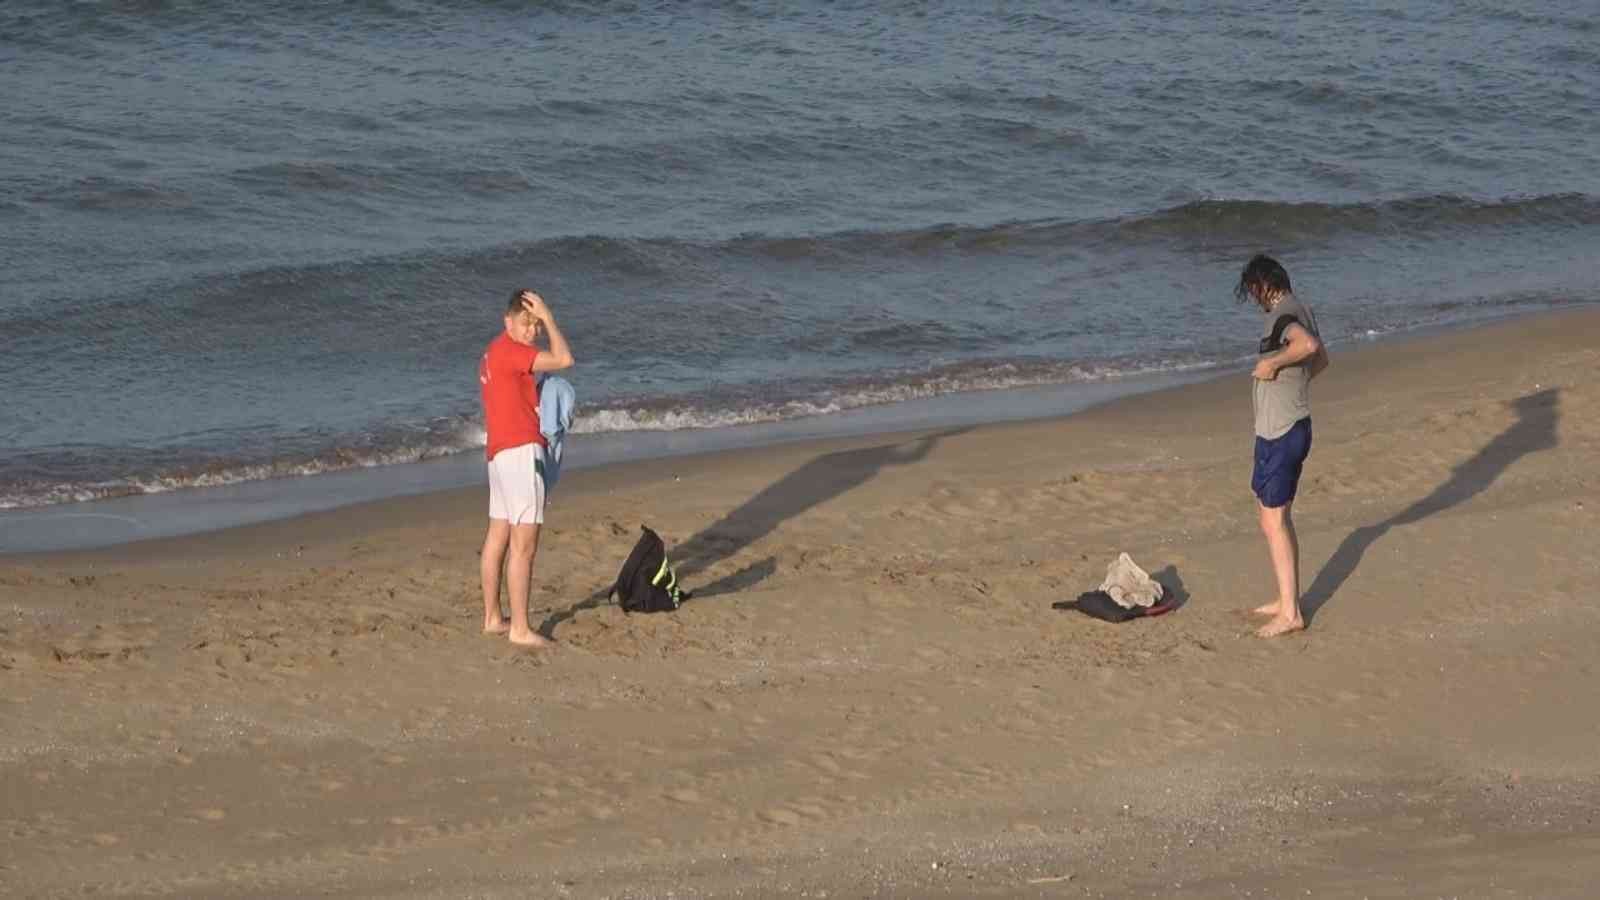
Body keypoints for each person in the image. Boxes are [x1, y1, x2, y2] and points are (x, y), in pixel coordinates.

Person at [1236, 255, 1329, 638]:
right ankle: (1285, 597)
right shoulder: (1302, 309)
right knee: (1272, 517)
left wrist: (1273, 366)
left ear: (1263, 284)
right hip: (1285, 427)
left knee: (1274, 520)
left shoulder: (1283, 315)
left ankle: (1290, 613)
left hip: (1282, 431)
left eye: (1252, 290)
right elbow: (1321, 359)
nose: (1254, 298)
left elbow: (1307, 346)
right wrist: (1293, 380)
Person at [478, 289, 574, 647]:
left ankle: (492, 617)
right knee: (524, 544)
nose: (531, 331)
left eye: (535, 325)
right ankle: (519, 628)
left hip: (498, 453)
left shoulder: (491, 353)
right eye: (526, 323)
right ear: (508, 321)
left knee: (497, 535)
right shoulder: (515, 352)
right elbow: (564, 359)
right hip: (519, 451)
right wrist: (550, 317)